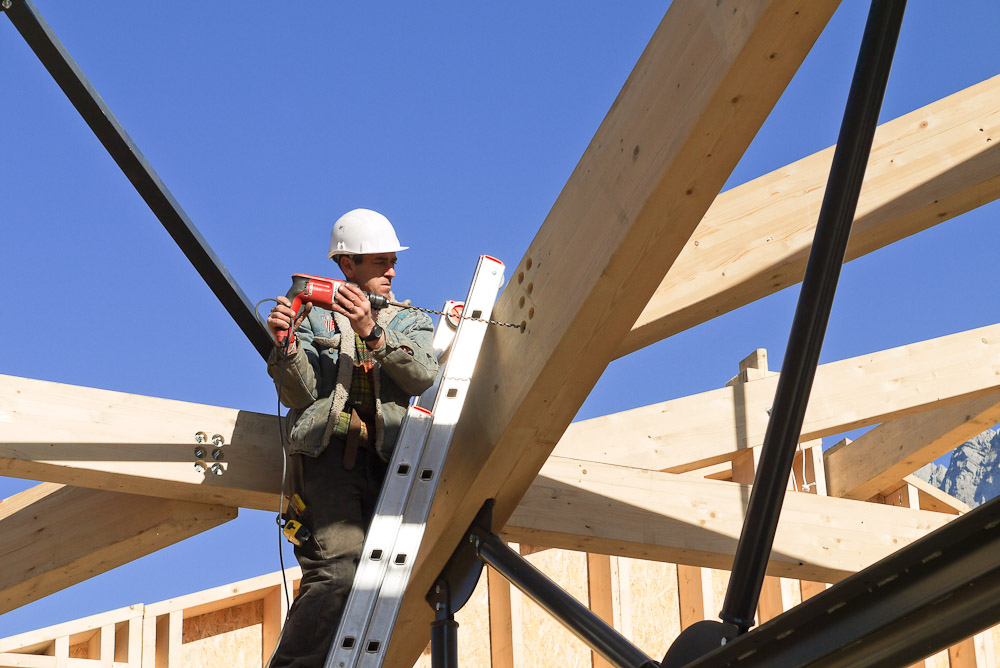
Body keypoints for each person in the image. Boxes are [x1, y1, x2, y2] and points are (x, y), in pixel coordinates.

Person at [265, 208, 439, 668]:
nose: (391, 270)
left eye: (392, 261)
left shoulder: (411, 320)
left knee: (390, 581)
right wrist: (284, 345)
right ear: (348, 266)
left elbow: (422, 374)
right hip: (327, 457)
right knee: (340, 570)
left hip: (389, 465)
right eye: (380, 261)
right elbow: (298, 392)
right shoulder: (314, 317)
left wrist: (372, 332)